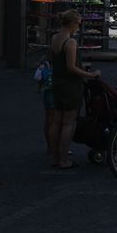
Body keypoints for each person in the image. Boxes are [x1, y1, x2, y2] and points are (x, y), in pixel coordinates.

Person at [46, 10, 98, 169]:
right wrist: (91, 75)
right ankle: (64, 159)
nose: (79, 27)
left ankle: (54, 157)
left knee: (56, 121)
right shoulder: (70, 42)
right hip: (70, 85)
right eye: (78, 24)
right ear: (72, 23)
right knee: (68, 123)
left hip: (57, 83)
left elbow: (53, 60)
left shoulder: (54, 38)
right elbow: (71, 67)